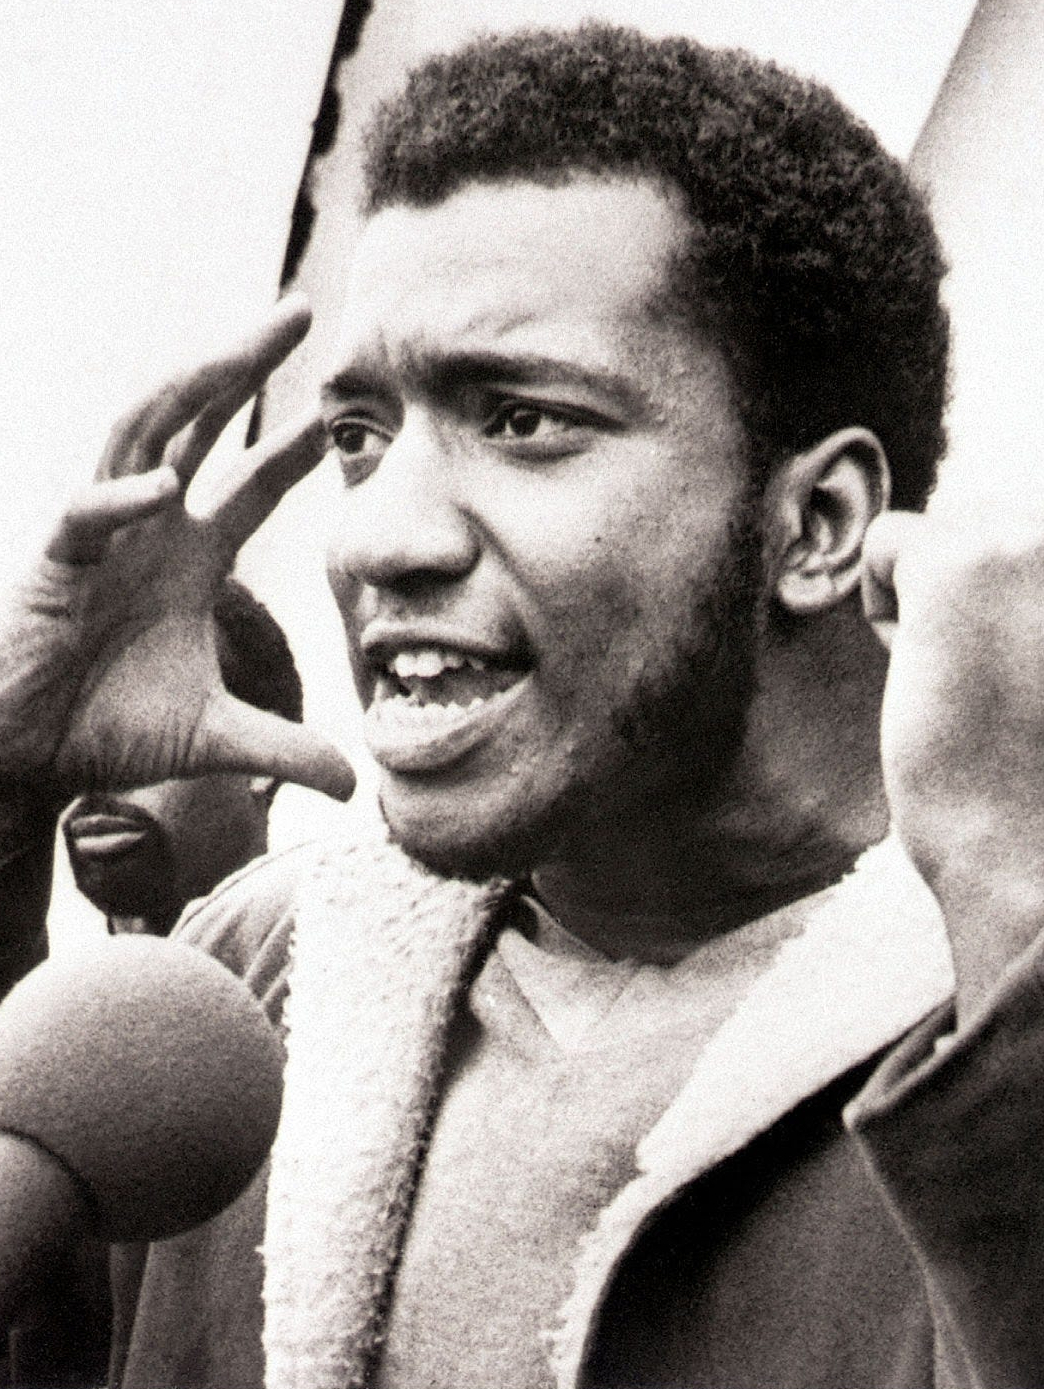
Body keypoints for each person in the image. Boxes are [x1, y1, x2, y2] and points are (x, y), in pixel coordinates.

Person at [1, 20, 1043, 1389]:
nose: (377, 538)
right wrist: (8, 809)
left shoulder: (987, 1031)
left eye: (524, 419)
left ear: (817, 524)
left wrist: (1018, 912)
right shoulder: (245, 982)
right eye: (364, 436)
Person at [60, 579, 303, 936]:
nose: (94, 771)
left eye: (146, 731)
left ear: (263, 759)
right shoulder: (37, 984)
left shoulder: (343, 981)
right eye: (67, 732)